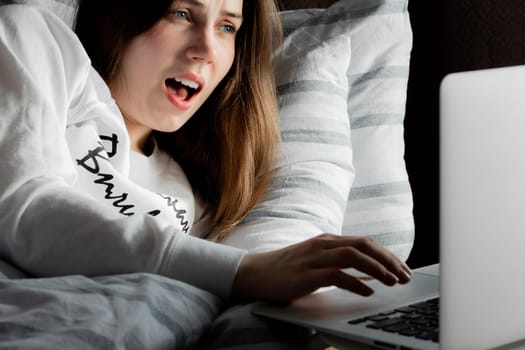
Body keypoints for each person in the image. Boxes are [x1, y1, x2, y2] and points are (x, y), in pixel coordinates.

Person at [0, 0, 411, 305]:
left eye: (227, 27)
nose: (206, 50)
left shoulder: (194, 197)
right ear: (117, 13)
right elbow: (24, 206)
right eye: (181, 14)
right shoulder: (36, 40)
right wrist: (244, 272)